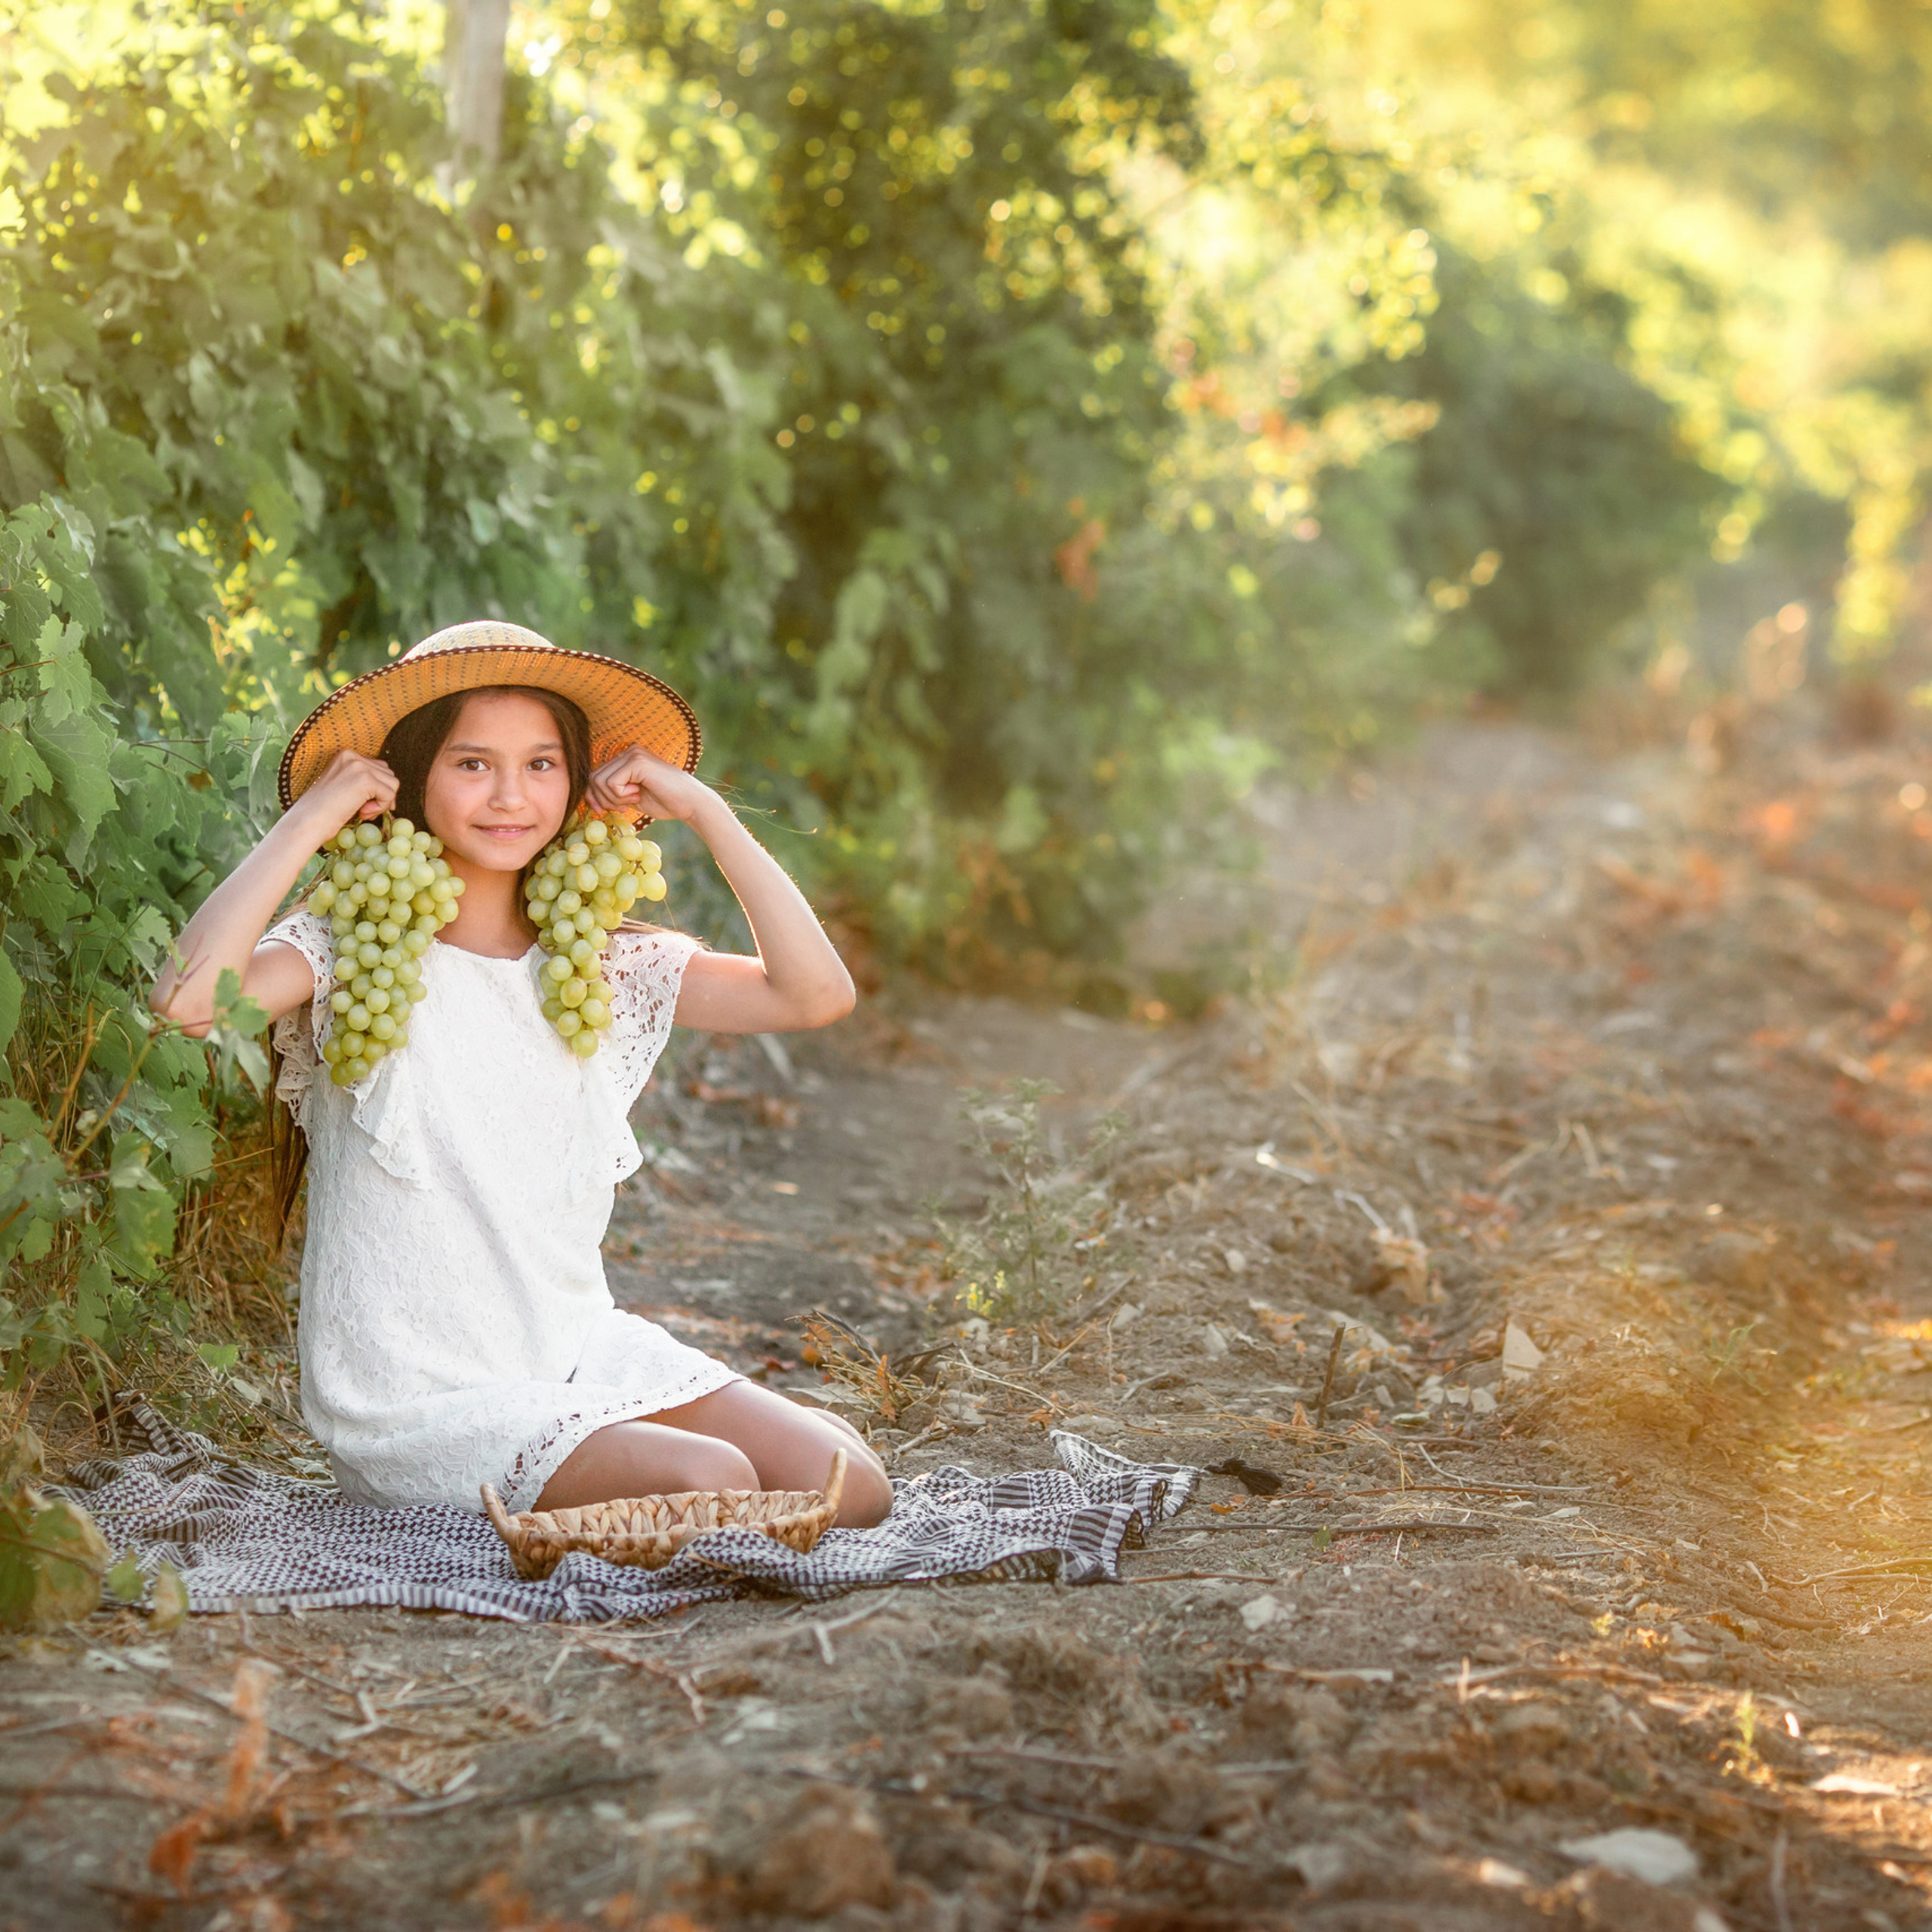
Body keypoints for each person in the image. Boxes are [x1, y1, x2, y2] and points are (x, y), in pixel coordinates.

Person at [153, 620, 892, 1528]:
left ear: (576, 781)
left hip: (575, 1351)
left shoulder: (595, 965)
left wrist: (705, 810)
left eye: (541, 764)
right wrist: (312, 817)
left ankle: (629, 1479)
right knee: (719, 1479)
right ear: (416, 772)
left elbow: (814, 994)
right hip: (418, 1398)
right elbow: (189, 1000)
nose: (511, 795)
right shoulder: (352, 953)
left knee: (852, 1486)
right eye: (472, 764)